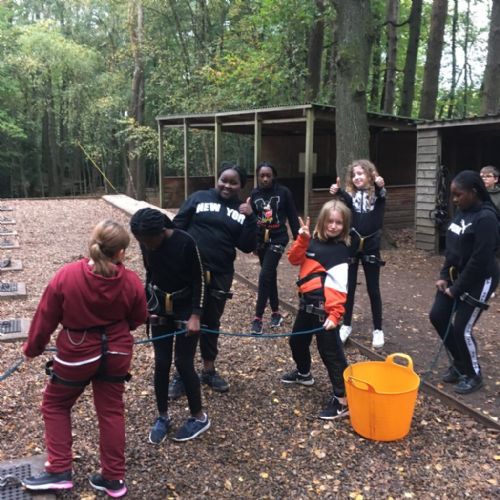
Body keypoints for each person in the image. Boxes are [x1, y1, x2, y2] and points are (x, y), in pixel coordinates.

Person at [22, 220, 147, 498]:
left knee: (55, 403)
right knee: (111, 411)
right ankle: (113, 478)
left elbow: (45, 316)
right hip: (117, 353)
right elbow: (139, 317)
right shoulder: (130, 281)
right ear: (121, 252)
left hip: (77, 352)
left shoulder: (67, 276)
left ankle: (59, 470)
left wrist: (32, 348)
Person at [169, 164, 257, 398]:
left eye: (233, 182)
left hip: (220, 273)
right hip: (190, 271)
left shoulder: (242, 210)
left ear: (241, 185)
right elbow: (178, 226)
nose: (227, 185)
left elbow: (247, 245)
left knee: (211, 320)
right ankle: (182, 373)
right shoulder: (198, 198)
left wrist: (251, 218)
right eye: (223, 180)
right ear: (217, 179)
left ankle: (209, 370)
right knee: (186, 319)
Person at [130, 208, 210, 443]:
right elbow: (150, 274)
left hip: (186, 307)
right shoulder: (146, 241)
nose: (147, 245)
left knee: (183, 362)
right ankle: (163, 416)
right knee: (161, 362)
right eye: (142, 241)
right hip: (159, 306)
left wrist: (196, 315)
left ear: (162, 231)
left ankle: (199, 417)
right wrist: (147, 306)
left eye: (149, 241)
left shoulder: (186, 242)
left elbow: (200, 280)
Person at [429, 170, 499, 394]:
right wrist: (443, 275)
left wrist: (457, 289)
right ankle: (459, 363)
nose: (454, 199)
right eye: (453, 195)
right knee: (438, 316)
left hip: (481, 278)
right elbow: (452, 249)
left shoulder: (486, 218)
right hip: (455, 275)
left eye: (458, 194)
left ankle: (473, 374)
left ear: (474, 192)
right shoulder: (461, 213)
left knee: (462, 328)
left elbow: (480, 260)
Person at [281, 200, 351, 420]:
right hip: (306, 306)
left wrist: (335, 314)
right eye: (330, 221)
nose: (333, 226)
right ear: (322, 221)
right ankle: (304, 373)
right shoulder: (311, 242)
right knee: (297, 342)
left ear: (344, 226)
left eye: (338, 223)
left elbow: (339, 286)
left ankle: (343, 400)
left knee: (331, 352)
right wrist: (302, 239)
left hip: (324, 310)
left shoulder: (339, 251)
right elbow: (293, 259)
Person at [329, 159, 386, 349]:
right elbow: (344, 198)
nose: (357, 177)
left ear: (370, 175)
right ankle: (346, 325)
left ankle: (378, 329)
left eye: (361, 174)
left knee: (373, 288)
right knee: (349, 287)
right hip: (352, 245)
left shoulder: (377, 195)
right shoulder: (351, 196)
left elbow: (381, 192)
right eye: (354, 175)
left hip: (371, 246)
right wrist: (337, 191)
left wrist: (379, 184)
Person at [249, 161, 300, 333]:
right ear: (258, 177)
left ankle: (258, 317)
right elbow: (252, 219)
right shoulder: (254, 194)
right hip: (261, 240)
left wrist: (299, 241)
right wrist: (253, 242)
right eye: (262, 176)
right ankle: (276, 312)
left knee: (264, 275)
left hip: (278, 238)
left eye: (268, 176)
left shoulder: (283, 192)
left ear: (274, 176)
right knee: (269, 275)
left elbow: (292, 216)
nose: (265, 179)